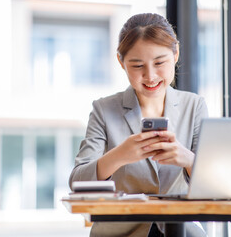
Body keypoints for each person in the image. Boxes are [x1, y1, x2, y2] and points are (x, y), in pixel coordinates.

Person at [69, 13, 208, 237]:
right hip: (120, 231)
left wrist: (187, 159)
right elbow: (77, 181)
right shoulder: (104, 110)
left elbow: (216, 185)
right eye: (137, 65)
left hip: (181, 230)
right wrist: (120, 155)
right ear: (121, 62)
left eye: (159, 62)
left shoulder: (195, 105)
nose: (150, 76)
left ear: (176, 54)